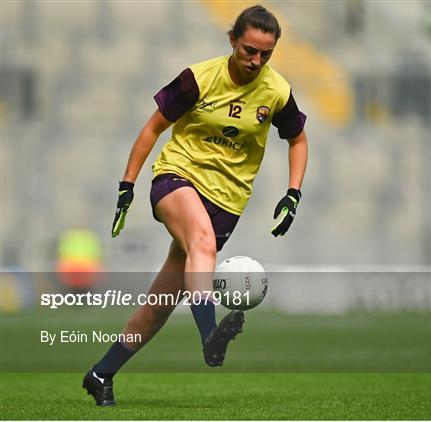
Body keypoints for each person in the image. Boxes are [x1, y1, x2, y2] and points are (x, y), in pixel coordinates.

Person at [83, 5, 308, 407]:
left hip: (228, 202)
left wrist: (293, 192)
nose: (256, 61)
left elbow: (298, 139)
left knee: (159, 306)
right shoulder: (198, 78)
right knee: (201, 240)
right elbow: (153, 127)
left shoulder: (276, 91)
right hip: (177, 178)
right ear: (232, 41)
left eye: (265, 54)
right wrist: (127, 184)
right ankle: (210, 336)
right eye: (249, 50)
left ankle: (100, 373)